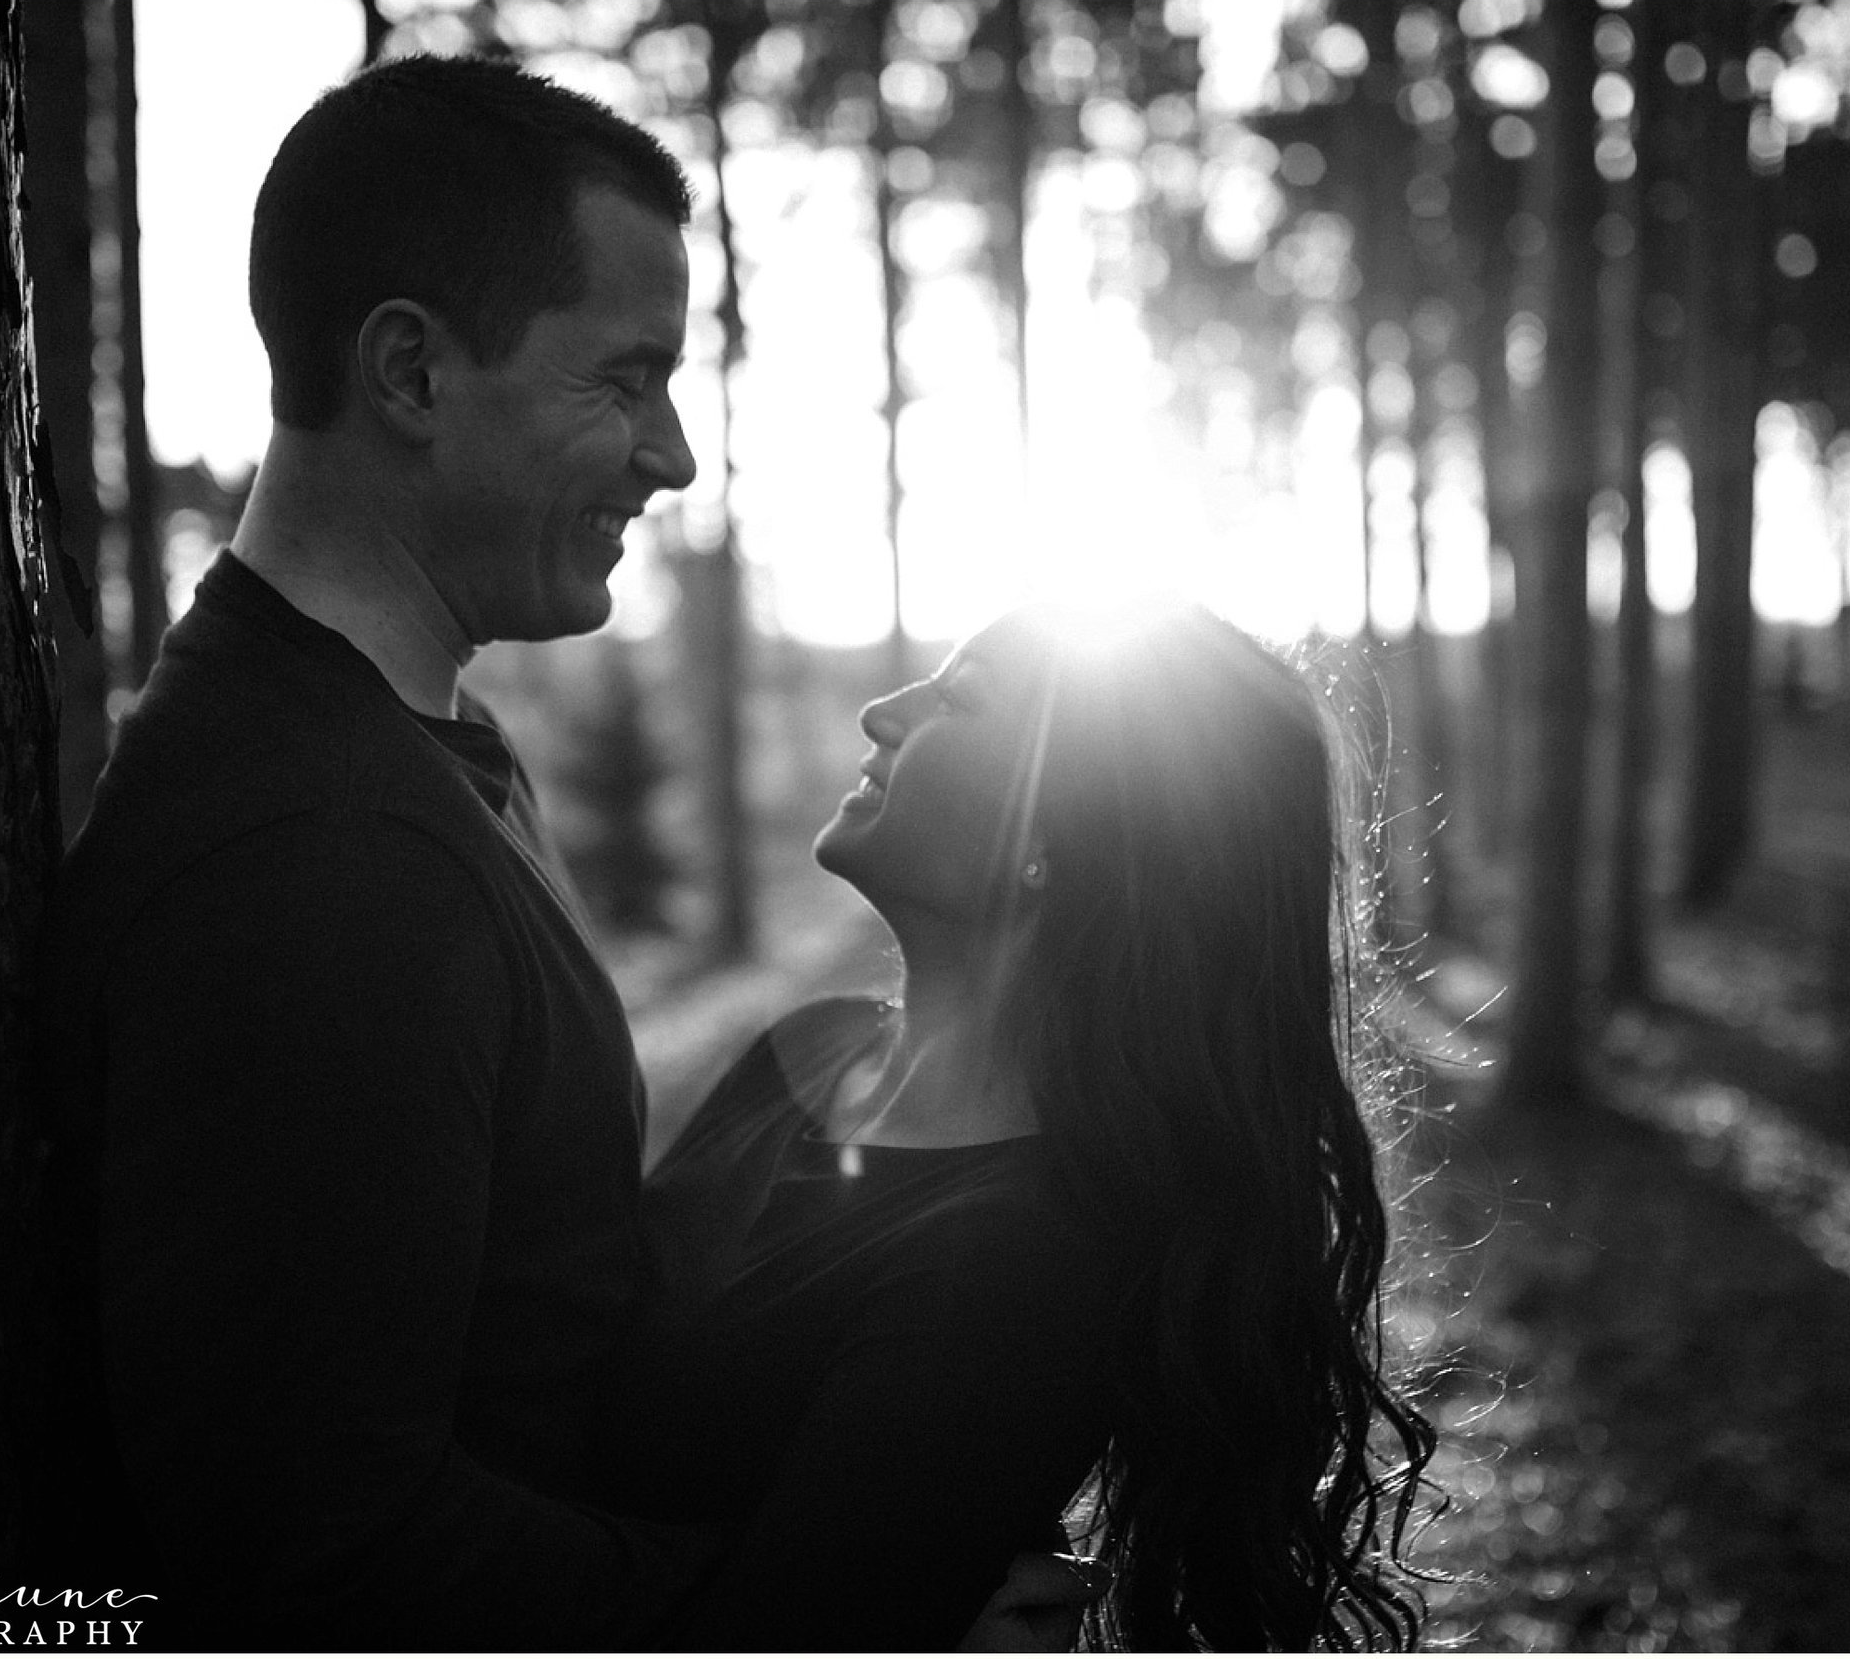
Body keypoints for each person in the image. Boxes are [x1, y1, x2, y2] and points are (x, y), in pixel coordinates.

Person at [33, 56, 1095, 1650]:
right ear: (410, 372)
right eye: (622, 377)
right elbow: (311, 1556)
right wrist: (864, 1619)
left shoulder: (400, 744)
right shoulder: (321, 862)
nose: (669, 456)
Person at [571, 603, 1437, 1650]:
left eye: (957, 698)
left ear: (1053, 838)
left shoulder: (1014, 1260)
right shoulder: (806, 1051)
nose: (883, 712)